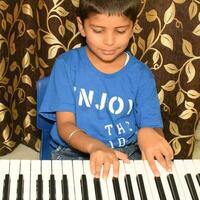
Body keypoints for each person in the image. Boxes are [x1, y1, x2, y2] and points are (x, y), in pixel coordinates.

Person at [39, 0, 174, 178]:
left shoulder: (142, 74)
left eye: (120, 31)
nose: (109, 41)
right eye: (98, 30)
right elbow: (65, 125)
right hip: (74, 152)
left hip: (126, 153)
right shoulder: (66, 65)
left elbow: (153, 127)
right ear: (82, 26)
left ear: (133, 28)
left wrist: (149, 133)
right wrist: (95, 146)